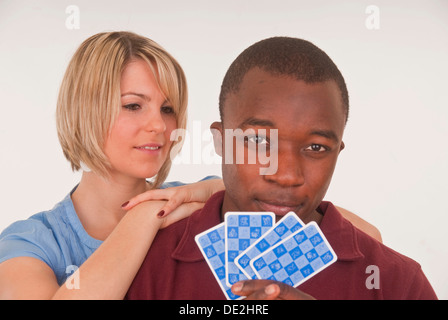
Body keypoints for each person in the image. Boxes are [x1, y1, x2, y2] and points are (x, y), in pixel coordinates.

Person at [125, 36, 437, 300]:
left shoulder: (399, 283)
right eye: (260, 141)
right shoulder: (143, 264)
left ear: (337, 152)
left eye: (316, 147)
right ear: (221, 141)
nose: (287, 175)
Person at [0, 31, 225, 299]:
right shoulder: (30, 243)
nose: (159, 125)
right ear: (85, 111)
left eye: (168, 109)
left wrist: (217, 188)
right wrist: (143, 217)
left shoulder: (191, 202)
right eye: (133, 105)